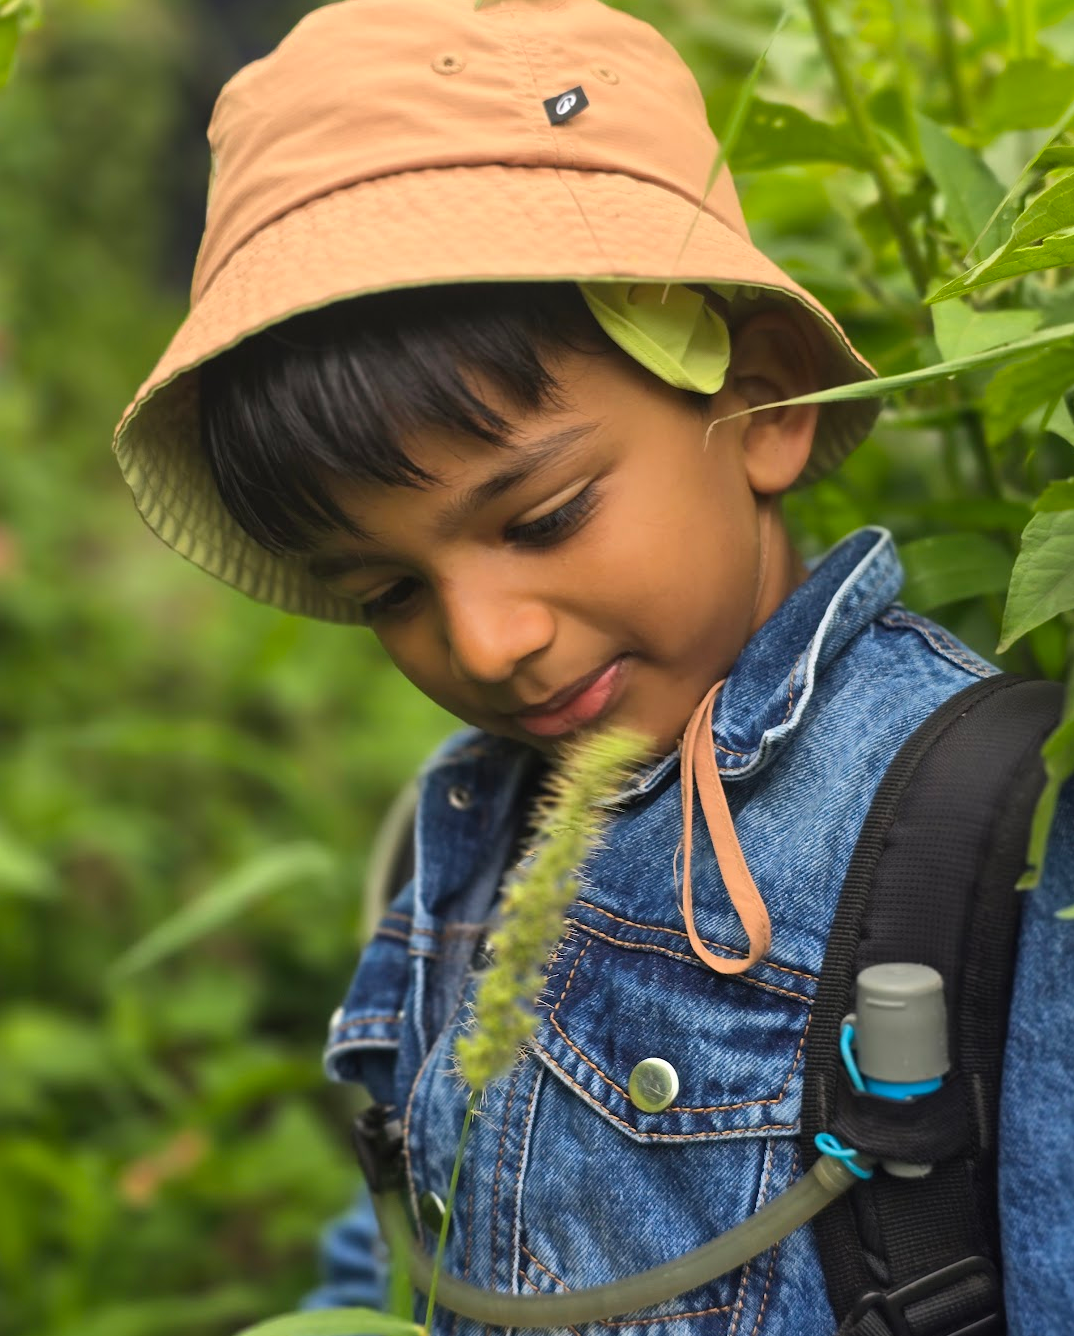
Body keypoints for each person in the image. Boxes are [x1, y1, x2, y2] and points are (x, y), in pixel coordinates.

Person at [112, 1, 1073, 1332]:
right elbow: (408, 1230)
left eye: (544, 518)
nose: (485, 644)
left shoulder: (985, 831)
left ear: (763, 403)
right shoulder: (473, 824)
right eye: (389, 592)